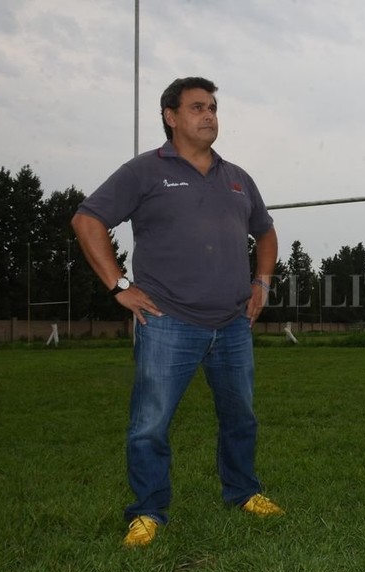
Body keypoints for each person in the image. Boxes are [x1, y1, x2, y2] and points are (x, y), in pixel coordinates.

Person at [71, 76, 282, 547]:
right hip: (167, 322)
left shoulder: (237, 176)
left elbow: (265, 233)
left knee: (241, 417)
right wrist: (119, 285)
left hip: (232, 324)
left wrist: (261, 282)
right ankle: (147, 511)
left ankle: (243, 491)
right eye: (197, 108)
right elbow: (88, 220)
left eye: (212, 108)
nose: (209, 116)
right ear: (170, 116)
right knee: (150, 423)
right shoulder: (145, 171)